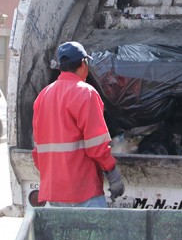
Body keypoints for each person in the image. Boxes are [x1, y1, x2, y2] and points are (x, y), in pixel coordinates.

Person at [32, 41, 125, 208]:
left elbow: (38, 150)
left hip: (54, 191)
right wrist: (113, 175)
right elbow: (97, 147)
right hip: (83, 191)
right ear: (83, 64)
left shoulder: (43, 96)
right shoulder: (85, 93)